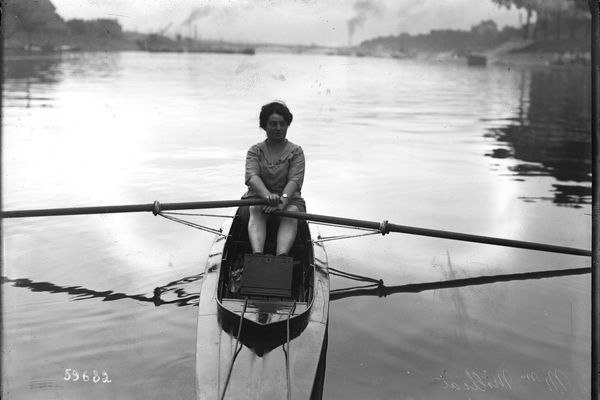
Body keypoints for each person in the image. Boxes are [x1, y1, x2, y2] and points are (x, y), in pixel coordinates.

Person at [242, 101, 306, 257]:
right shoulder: (255, 151)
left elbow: (295, 180)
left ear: (287, 125)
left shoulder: (296, 151)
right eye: (273, 124)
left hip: (289, 200)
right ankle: (257, 255)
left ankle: (281, 257)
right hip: (257, 200)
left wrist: (282, 201)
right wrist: (267, 196)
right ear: (264, 126)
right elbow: (252, 177)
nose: (278, 128)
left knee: (290, 212)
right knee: (256, 209)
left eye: (282, 124)